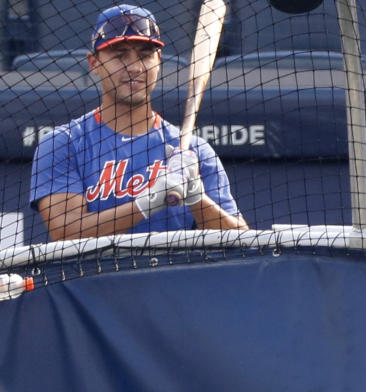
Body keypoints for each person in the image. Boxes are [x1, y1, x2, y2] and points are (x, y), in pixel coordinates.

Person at [29, 4, 248, 241]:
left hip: (176, 276)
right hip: (96, 277)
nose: (134, 67)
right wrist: (150, 202)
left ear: (159, 60)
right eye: (120, 55)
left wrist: (197, 198)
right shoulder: (64, 143)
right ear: (94, 63)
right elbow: (66, 231)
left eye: (145, 56)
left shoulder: (195, 151)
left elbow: (242, 241)